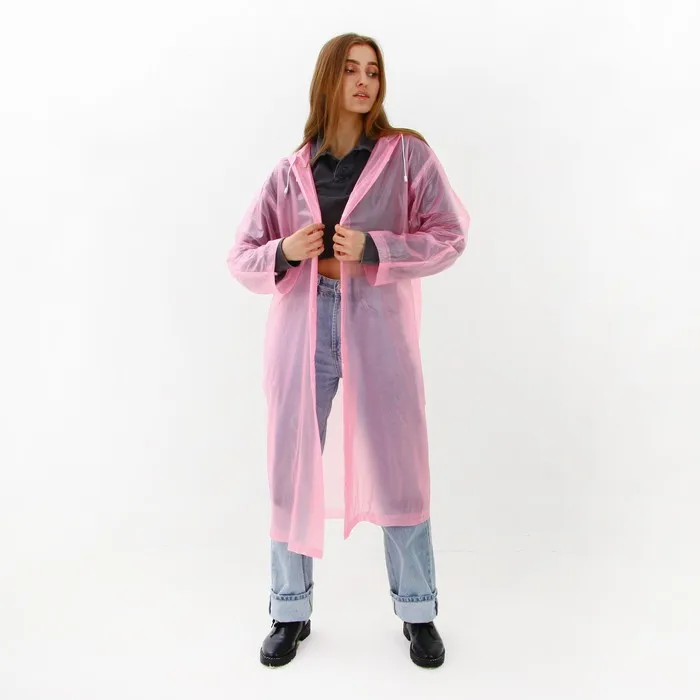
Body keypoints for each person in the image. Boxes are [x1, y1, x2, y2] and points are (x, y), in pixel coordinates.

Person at [226, 33, 470, 669]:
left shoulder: (406, 155)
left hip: (378, 324)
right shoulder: (290, 170)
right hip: (302, 326)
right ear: (328, 80)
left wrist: (377, 248)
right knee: (292, 466)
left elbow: (449, 234)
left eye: (374, 72)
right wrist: (285, 251)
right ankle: (289, 609)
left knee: (400, 465)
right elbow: (241, 254)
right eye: (352, 70)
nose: (364, 82)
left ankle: (418, 610)